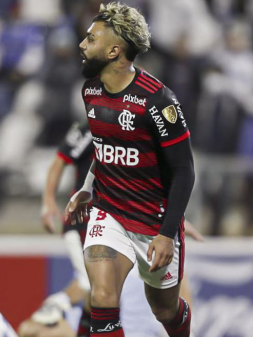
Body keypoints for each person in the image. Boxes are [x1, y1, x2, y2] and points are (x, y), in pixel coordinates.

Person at [64, 3, 196, 336]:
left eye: (91, 39)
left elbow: (184, 171)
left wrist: (166, 233)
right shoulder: (91, 90)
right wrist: (87, 187)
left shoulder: (158, 102)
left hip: (154, 221)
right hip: (108, 211)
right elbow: (105, 148)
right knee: (103, 296)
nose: (82, 45)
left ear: (113, 50)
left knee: (163, 308)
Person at [18, 120, 202, 337]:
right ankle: (57, 305)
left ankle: (67, 310)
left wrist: (171, 220)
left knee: (103, 289)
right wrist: (48, 201)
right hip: (87, 218)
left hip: (117, 216)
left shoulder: (135, 136)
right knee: (90, 283)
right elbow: (60, 160)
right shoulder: (95, 125)